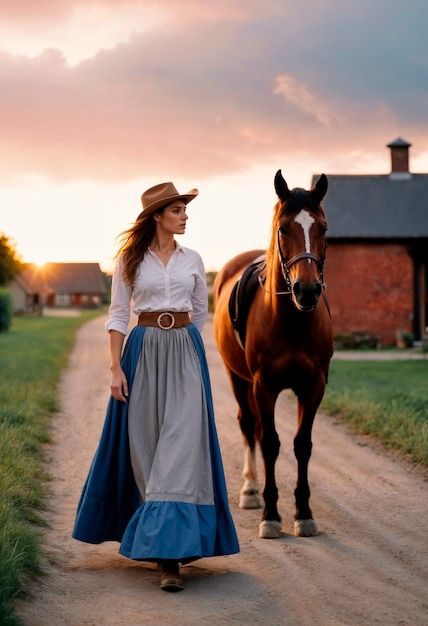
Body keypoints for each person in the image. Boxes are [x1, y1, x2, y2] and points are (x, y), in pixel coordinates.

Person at [72, 182, 239, 592]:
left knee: (181, 449)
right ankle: (162, 544)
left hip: (184, 353)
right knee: (146, 448)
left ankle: (170, 561)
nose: (186, 216)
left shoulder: (194, 260)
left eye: (185, 209)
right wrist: (115, 368)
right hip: (142, 352)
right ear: (158, 216)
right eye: (179, 210)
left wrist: (182, 344)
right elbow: (116, 317)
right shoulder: (131, 260)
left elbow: (199, 312)